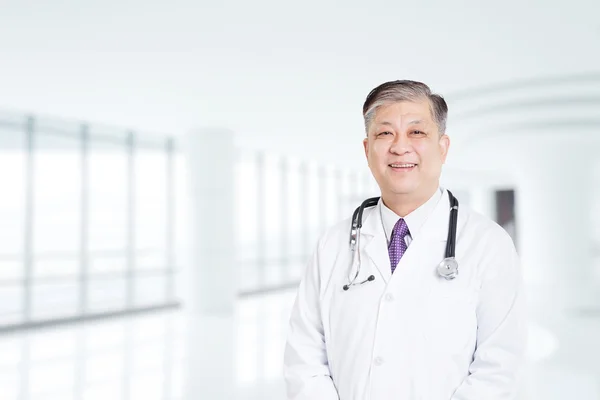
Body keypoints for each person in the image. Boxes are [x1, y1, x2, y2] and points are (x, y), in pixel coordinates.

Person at [283, 80, 527, 399]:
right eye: (385, 133)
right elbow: (304, 361)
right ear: (367, 148)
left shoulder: (487, 243)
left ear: (442, 147)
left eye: (416, 132)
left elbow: (499, 370)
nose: (400, 147)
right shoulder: (333, 244)